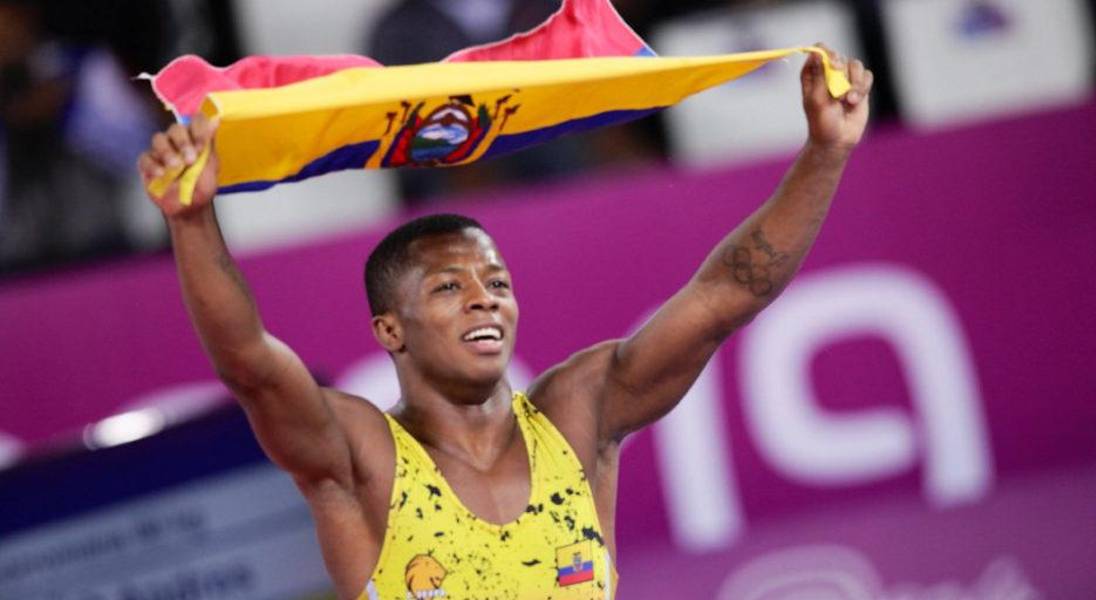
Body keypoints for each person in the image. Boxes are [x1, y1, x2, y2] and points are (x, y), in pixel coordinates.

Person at [136, 45, 873, 600]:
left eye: (496, 283)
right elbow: (250, 362)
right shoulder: (362, 457)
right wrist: (193, 222)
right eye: (448, 287)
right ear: (390, 331)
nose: (484, 299)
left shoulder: (578, 414)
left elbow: (725, 297)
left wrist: (826, 153)